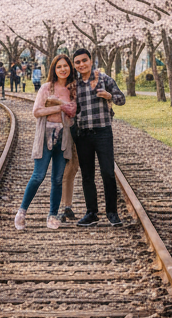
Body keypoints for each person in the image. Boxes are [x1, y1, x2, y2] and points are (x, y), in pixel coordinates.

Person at [14, 54, 77, 230]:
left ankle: (52, 215)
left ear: (70, 68)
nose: (63, 69)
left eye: (65, 66)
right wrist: (60, 107)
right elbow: (37, 112)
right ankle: (21, 212)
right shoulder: (46, 88)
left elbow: (73, 111)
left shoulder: (73, 89)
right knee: (38, 175)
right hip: (45, 136)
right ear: (54, 70)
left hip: (64, 137)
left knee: (57, 178)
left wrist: (60, 104)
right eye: (59, 66)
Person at [70, 48, 126, 227]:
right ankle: (91, 212)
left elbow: (121, 99)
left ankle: (112, 213)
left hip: (103, 132)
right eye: (77, 62)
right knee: (87, 175)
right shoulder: (74, 84)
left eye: (84, 60)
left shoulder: (104, 79)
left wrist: (109, 96)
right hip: (83, 134)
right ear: (74, 65)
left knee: (108, 173)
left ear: (91, 60)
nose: (81, 64)